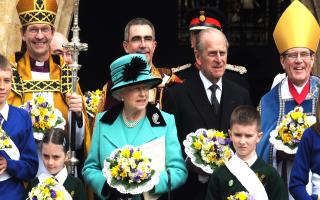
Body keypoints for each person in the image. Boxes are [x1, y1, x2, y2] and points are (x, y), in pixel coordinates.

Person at [162, 28, 251, 200]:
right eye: (212, 54)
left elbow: (249, 140)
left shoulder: (240, 94)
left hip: (231, 191)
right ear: (198, 57)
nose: (219, 59)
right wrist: (190, 162)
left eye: (222, 53)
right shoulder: (177, 95)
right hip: (192, 191)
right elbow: (169, 144)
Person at [82, 53, 187, 200]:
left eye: (146, 87)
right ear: (121, 93)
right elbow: (90, 168)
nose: (143, 93)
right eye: (136, 88)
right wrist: (107, 186)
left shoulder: (166, 122)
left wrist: (151, 183)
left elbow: (178, 171)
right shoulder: (103, 121)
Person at [9, 0, 91, 175]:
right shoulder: (10, 73)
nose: (40, 36)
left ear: (52, 33)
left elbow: (78, 141)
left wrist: (78, 115)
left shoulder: (67, 75)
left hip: (60, 171)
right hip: (20, 170)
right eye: (33, 29)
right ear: (22, 33)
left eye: (45, 29)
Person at [257, 1, 320, 199]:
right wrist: (278, 151)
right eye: (292, 55)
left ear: (313, 60)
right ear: (283, 62)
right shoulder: (268, 101)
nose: (299, 60)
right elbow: (258, 145)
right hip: (282, 185)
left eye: (304, 54)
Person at [98, 17, 183, 112]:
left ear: (154, 46)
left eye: (147, 39)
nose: (143, 45)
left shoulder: (171, 82)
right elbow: (100, 125)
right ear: (126, 46)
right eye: (136, 39)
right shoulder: (112, 87)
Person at [205, 105, 288, 200]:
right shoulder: (219, 174)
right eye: (238, 135)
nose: (242, 141)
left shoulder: (270, 174)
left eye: (248, 136)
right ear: (230, 135)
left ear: (259, 137)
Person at [175, 7, 250, 90]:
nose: (201, 39)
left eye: (208, 34)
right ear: (191, 40)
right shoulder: (177, 78)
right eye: (197, 34)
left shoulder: (236, 79)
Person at [0, 54, 38, 199]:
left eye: (7, 81)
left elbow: (31, 168)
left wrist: (8, 165)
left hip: (13, 194)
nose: (2, 87)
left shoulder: (22, 117)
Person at [26, 128, 86, 200]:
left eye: (56, 157)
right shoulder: (34, 184)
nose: (50, 162)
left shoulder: (76, 185)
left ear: (67, 156)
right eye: (46, 156)